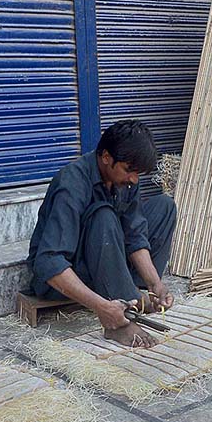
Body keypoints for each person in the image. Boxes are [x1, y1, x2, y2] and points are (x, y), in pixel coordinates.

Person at [26, 120, 177, 348]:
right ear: (106, 157)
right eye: (129, 170)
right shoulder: (72, 183)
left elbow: (134, 234)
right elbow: (49, 262)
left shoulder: (126, 181)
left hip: (107, 263)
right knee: (103, 215)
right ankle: (118, 322)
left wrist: (155, 283)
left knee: (164, 206)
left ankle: (132, 296)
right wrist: (102, 308)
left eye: (138, 173)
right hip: (66, 276)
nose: (134, 179)